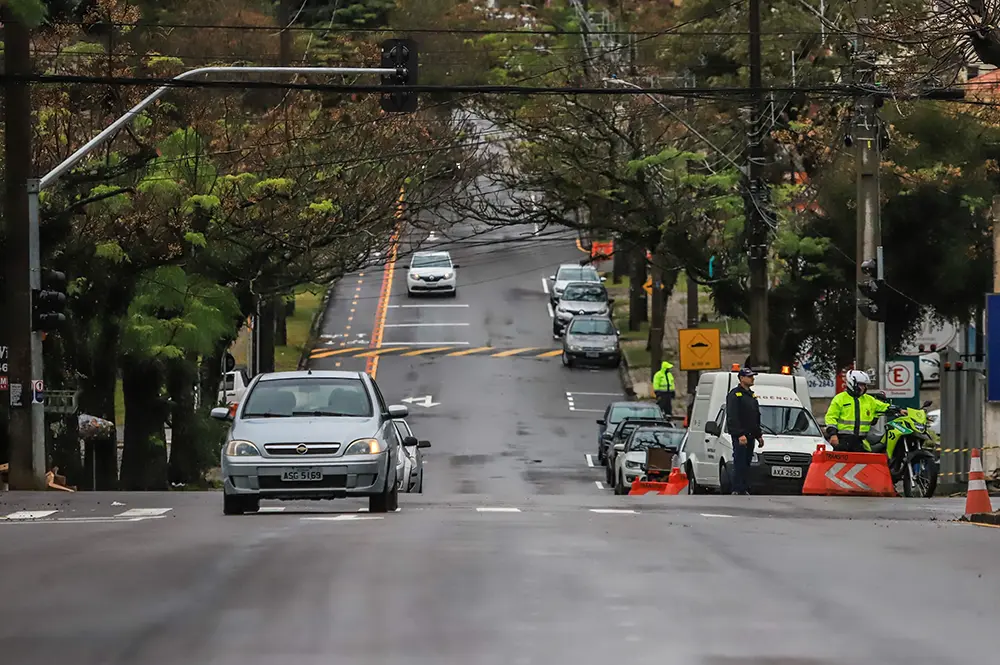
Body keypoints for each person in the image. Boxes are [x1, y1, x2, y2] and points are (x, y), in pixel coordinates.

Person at [823, 370, 894, 452]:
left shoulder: (869, 399)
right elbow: (831, 418)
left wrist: (899, 410)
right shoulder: (840, 398)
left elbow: (883, 406)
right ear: (852, 383)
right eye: (861, 385)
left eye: (865, 385)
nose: (864, 387)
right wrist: (833, 435)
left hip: (861, 441)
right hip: (843, 440)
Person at [726, 366, 764, 495]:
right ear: (741, 378)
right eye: (749, 376)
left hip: (751, 435)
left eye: (752, 376)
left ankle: (745, 487)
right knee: (739, 462)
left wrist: (758, 435)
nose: (752, 379)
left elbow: (755, 416)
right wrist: (739, 434)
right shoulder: (735, 394)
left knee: (747, 462)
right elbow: (733, 416)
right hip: (741, 436)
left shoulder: (751, 395)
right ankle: (737, 488)